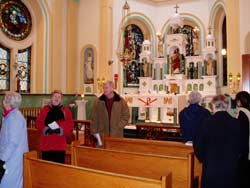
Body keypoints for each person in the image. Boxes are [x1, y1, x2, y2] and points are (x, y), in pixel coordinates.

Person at [193, 95, 244, 188]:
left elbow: (198, 145)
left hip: (211, 167)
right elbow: (241, 146)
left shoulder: (206, 122)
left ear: (213, 106)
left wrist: (203, 158)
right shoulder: (236, 123)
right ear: (227, 106)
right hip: (230, 168)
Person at [36, 90, 73, 163]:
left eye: (59, 97)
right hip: (47, 144)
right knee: (46, 167)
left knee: (58, 168)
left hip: (59, 144)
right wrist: (45, 129)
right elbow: (38, 123)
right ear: (51, 98)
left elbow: (70, 124)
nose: (57, 98)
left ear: (61, 99)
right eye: (55, 96)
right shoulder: (45, 110)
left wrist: (61, 130)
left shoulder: (66, 111)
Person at [0, 92, 28, 188]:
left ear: (8, 103)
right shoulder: (10, 116)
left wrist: (2, 159)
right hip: (10, 156)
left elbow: (12, 142)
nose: (2, 102)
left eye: (4, 100)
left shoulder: (15, 118)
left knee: (9, 182)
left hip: (13, 158)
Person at [235, 91, 250, 188]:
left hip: (244, 151)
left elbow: (241, 133)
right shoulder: (248, 111)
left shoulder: (242, 113)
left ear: (239, 102)